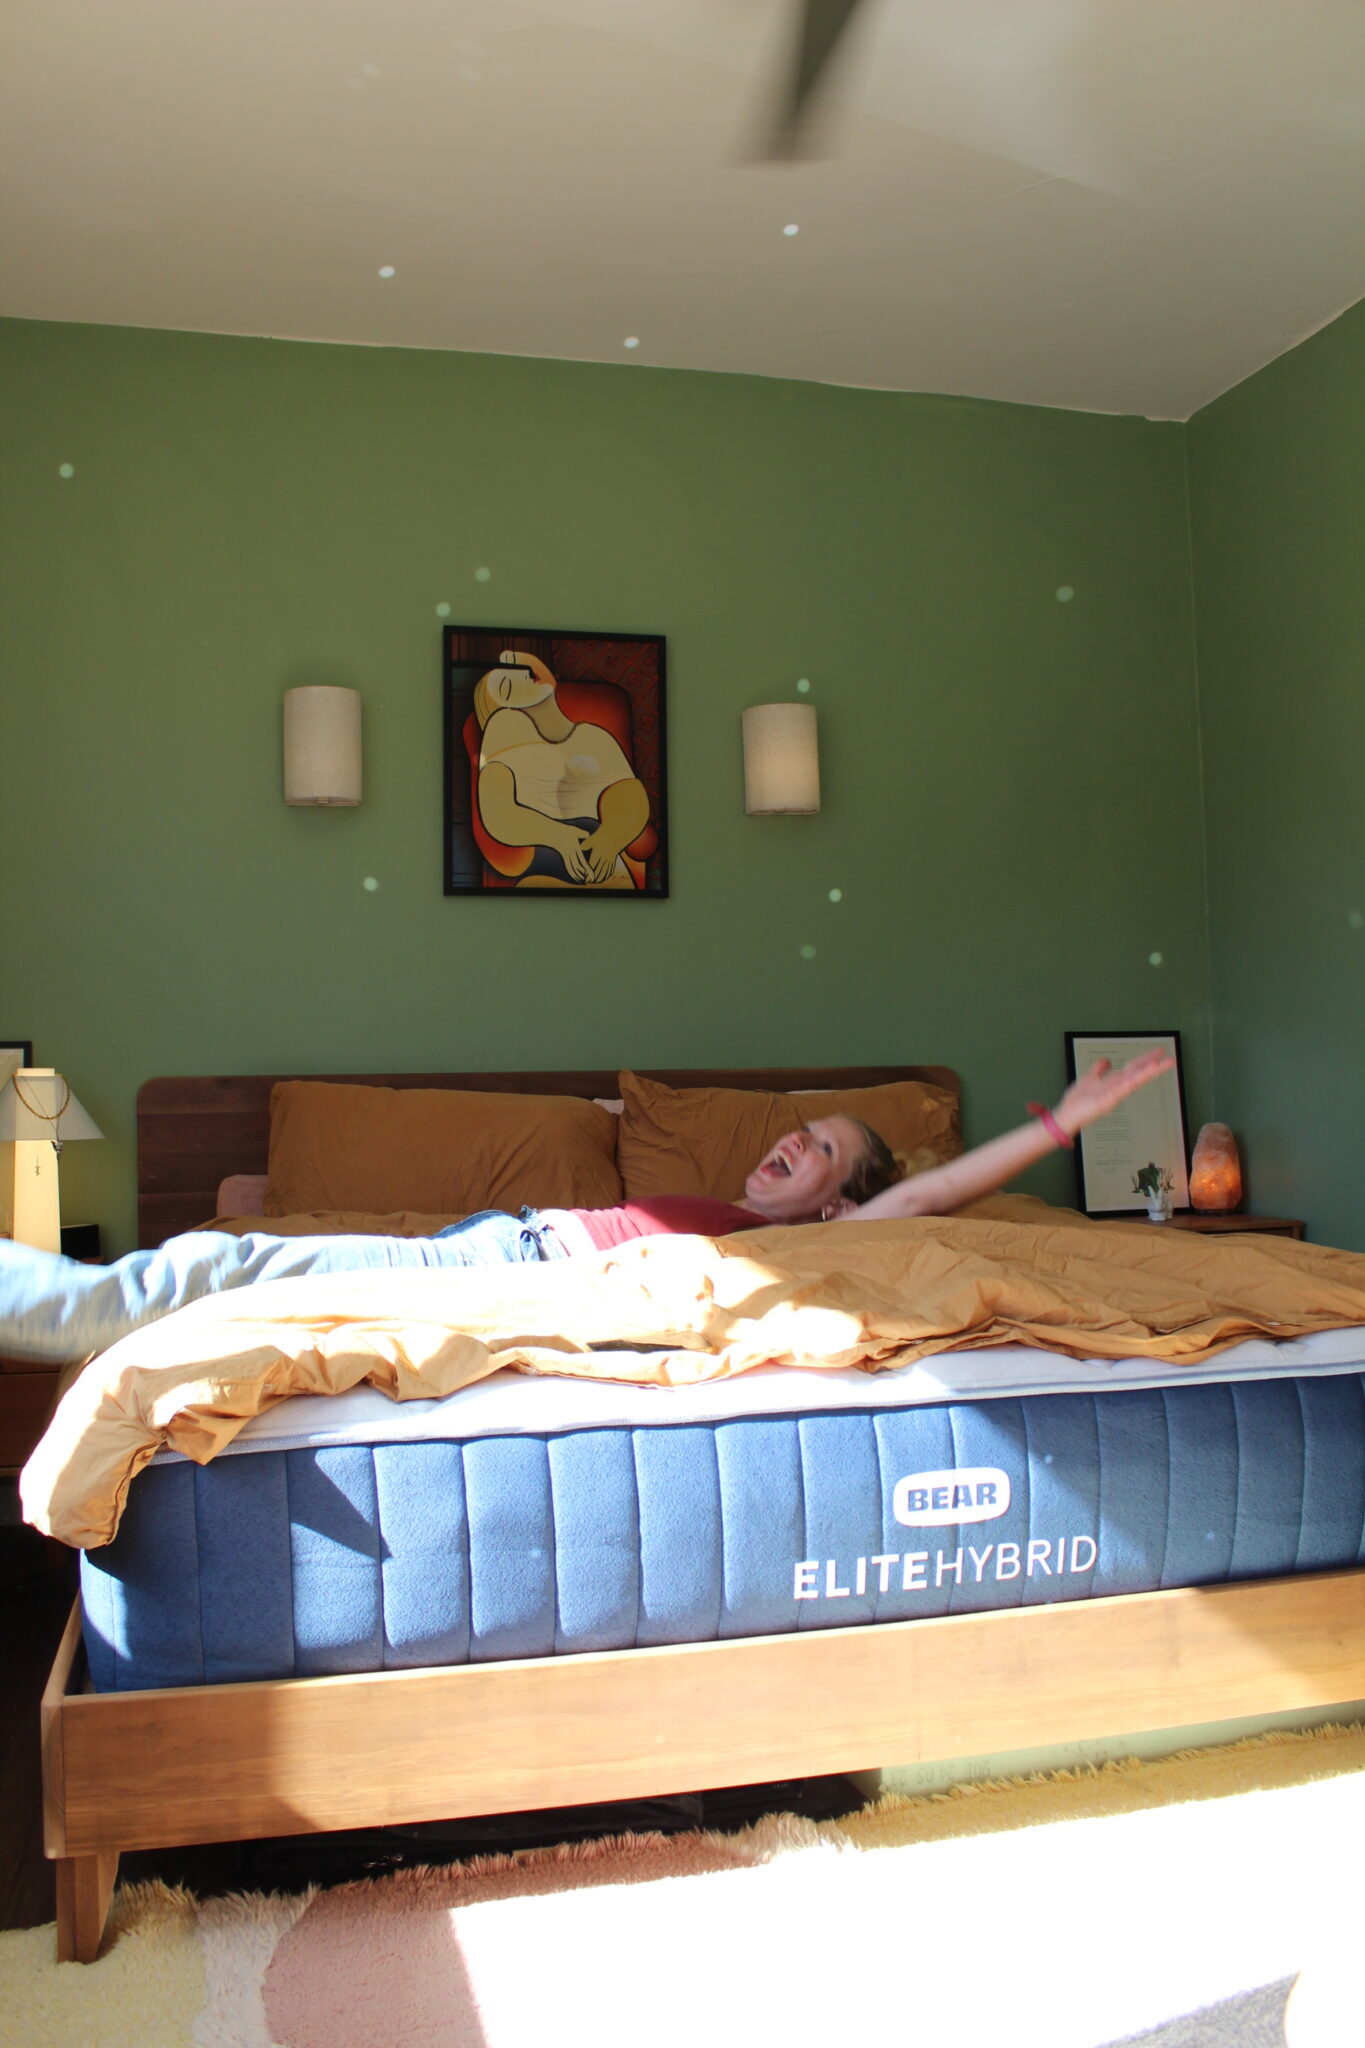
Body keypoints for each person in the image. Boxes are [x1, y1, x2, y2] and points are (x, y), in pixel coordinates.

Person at [0, 1052, 1171, 1365]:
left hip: (503, 1271)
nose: (787, 1143)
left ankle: (52, 1306)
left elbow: (928, 1190)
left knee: (234, 1268)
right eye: (792, 1130)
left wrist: (1059, 1126)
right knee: (248, 1264)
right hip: (492, 1242)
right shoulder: (729, 1212)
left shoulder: (801, 1247)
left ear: (840, 1208)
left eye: (816, 1147)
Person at [473, 651, 651, 889]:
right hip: (543, 865)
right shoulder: (502, 732)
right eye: (507, 687)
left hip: (606, 865)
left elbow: (628, 793)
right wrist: (557, 836)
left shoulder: (594, 736)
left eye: (520, 669)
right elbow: (497, 813)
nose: (524, 676)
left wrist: (611, 838)